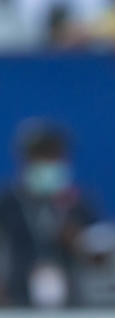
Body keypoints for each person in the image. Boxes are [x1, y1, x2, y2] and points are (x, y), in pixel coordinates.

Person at [0, 121, 97, 307]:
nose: (47, 163)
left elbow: (102, 258)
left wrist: (78, 241)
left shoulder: (78, 202)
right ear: (26, 160)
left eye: (53, 157)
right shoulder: (8, 201)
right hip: (17, 300)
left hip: (71, 303)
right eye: (40, 157)